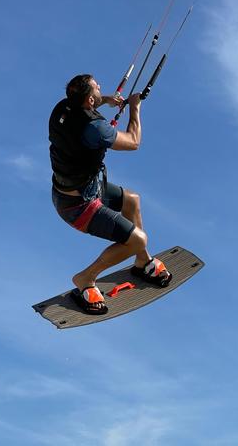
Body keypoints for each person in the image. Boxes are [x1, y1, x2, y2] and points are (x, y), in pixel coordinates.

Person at [49, 74, 172, 315]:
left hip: (80, 188)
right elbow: (133, 142)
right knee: (138, 239)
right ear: (89, 101)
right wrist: (135, 108)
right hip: (77, 207)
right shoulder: (95, 128)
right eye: (97, 88)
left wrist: (107, 100)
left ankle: (142, 262)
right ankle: (85, 278)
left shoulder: (62, 108)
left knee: (132, 201)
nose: (100, 87)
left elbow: (89, 105)